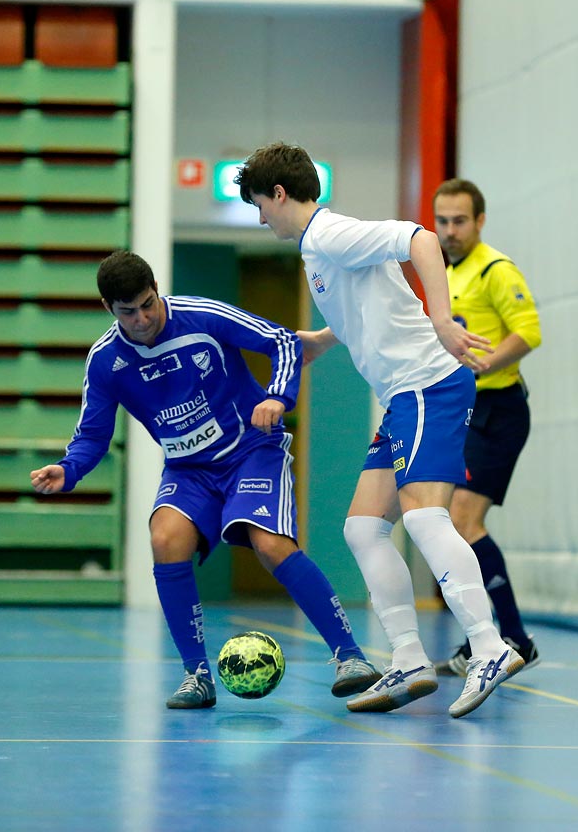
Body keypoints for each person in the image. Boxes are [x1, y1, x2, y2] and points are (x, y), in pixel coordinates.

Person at [238, 142, 524, 719]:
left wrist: (442, 320)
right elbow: (369, 311)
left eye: (258, 205)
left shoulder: (329, 234)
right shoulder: (317, 250)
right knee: (363, 529)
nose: (259, 217)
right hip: (402, 397)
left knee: (423, 517)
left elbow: (419, 238)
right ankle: (410, 658)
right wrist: (318, 341)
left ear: (279, 193)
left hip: (428, 385)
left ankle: (492, 647)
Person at [28, 250, 380, 710]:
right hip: (188, 470)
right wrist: (68, 468)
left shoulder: (202, 316)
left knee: (270, 544)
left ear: (156, 291)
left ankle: (350, 656)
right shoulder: (105, 362)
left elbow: (284, 342)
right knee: (165, 538)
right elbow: (93, 435)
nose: (142, 318)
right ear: (108, 310)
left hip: (251, 452)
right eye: (127, 312)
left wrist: (278, 396)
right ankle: (196, 675)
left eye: (148, 303)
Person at [428, 178, 543, 677]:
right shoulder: (448, 273)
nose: (450, 231)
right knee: (451, 523)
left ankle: (512, 638)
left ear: (479, 221)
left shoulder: (495, 270)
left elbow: (530, 332)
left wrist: (484, 364)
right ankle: (492, 638)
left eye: (459, 221)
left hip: (499, 411)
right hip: (468, 412)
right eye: (442, 222)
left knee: (464, 522)